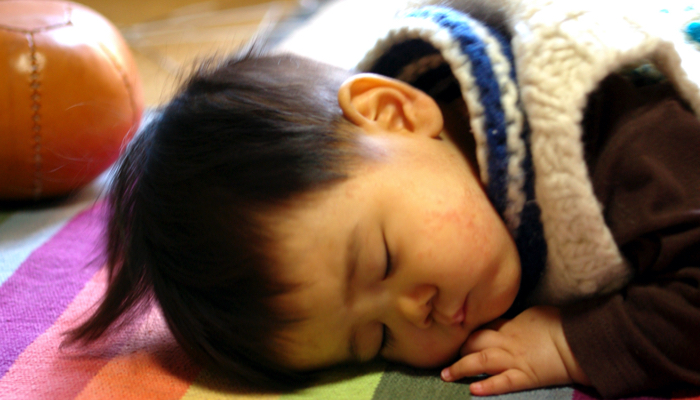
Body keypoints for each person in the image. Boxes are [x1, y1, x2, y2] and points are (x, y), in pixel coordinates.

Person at [66, 1, 700, 398]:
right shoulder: (442, 179)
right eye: (375, 339)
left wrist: (575, 342)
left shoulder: (620, 137)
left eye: (385, 260)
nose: (413, 314)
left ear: (395, 111)